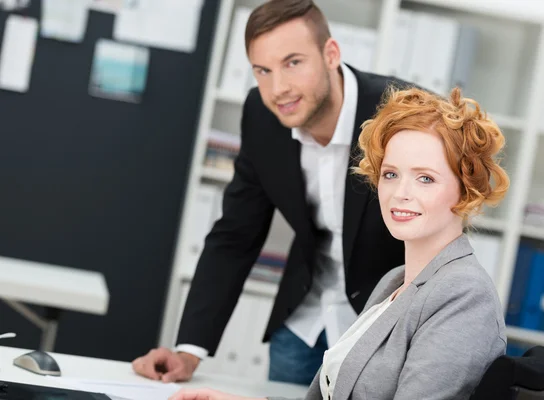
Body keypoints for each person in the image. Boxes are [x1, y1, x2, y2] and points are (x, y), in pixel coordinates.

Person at [166, 85, 511, 400]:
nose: (400, 194)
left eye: (425, 178)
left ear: (467, 189)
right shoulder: (395, 284)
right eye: (391, 174)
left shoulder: (464, 295)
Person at [132, 0, 414, 385]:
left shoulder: (403, 114)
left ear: (330, 54)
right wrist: (189, 351)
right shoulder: (262, 117)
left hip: (383, 329)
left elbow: (439, 234)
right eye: (262, 71)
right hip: (303, 323)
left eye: (293, 63)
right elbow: (236, 233)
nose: (277, 88)